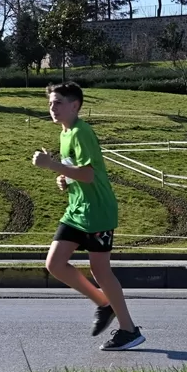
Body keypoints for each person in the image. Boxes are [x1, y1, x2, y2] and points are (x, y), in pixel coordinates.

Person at [32, 82, 145, 351]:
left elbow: (89, 174)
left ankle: (129, 330)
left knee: (101, 271)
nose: (52, 108)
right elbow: (77, 173)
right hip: (77, 209)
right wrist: (64, 180)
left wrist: (51, 165)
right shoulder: (66, 133)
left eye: (58, 103)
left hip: (97, 212)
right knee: (55, 264)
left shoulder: (82, 132)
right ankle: (104, 304)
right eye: (50, 103)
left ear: (75, 106)